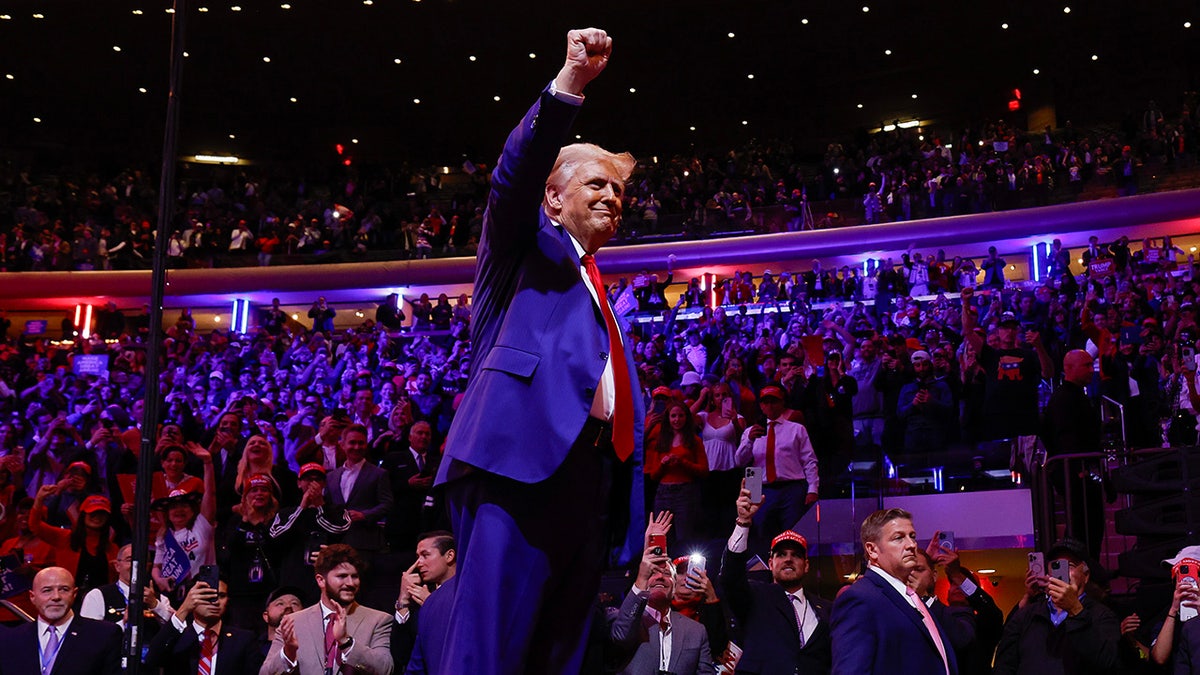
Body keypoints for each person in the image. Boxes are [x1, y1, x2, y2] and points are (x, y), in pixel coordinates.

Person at [434, 28, 645, 674]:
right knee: (490, 651)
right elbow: (512, 178)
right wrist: (570, 86)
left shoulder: (599, 289)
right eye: (597, 184)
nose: (613, 196)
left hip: (586, 485)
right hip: (515, 469)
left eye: (620, 190)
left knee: (561, 655)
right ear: (554, 197)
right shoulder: (519, 250)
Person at [831, 508, 957, 675]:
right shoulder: (859, 599)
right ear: (872, 550)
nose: (912, 545)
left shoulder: (909, 596)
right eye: (898, 538)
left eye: (912, 536)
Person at [720, 484, 832, 674]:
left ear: (806, 565)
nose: (788, 559)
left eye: (795, 555)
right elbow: (730, 577)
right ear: (770, 564)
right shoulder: (754, 596)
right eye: (781, 554)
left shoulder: (826, 608)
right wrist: (743, 522)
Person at [991, 538, 1119, 674]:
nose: (1062, 572)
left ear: (1085, 575)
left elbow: (1107, 661)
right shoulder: (1027, 615)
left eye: (1069, 565)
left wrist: (1075, 609)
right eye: (1056, 565)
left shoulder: (1102, 615)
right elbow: (1004, 665)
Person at [262, 544, 393, 674]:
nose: (350, 583)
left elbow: (385, 669)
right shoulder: (292, 622)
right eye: (342, 576)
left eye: (354, 576)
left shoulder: (378, 620)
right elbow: (265, 673)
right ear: (321, 581)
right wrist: (288, 653)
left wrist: (346, 642)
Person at [609, 522, 715, 675]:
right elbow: (621, 636)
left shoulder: (696, 630)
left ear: (674, 587)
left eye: (666, 574)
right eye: (653, 573)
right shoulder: (625, 618)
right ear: (643, 579)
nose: (660, 577)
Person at [734, 385, 819, 552]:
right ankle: (765, 570)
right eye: (766, 402)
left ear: (782, 404)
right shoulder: (750, 431)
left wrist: (813, 489)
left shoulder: (796, 429)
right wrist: (749, 441)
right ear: (761, 405)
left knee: (793, 532)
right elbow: (739, 461)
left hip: (791, 485)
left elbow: (809, 460)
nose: (770, 406)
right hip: (758, 483)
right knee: (761, 531)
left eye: (774, 401)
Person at [0, 566, 123, 675]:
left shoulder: (103, 635)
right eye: (47, 590)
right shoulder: (10, 639)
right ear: (32, 596)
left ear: (74, 594)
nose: (56, 597)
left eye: (64, 589)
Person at [1041, 350, 1105, 558]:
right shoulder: (1064, 398)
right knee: (1083, 526)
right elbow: (1064, 437)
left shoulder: (1074, 396)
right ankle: (1083, 569)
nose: (1091, 370)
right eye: (1086, 365)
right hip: (1075, 473)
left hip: (1080, 471)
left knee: (1088, 525)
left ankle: (1087, 568)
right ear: (1069, 368)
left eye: (1091, 365)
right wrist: (1078, 471)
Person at [144, 577, 265, 675]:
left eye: (221, 596)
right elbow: (152, 659)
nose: (215, 601)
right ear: (191, 598)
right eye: (206, 595)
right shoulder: (176, 638)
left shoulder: (243, 639)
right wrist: (184, 608)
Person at [392, 531, 457, 672]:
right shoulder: (415, 596)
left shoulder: (465, 592)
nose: (419, 563)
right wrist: (403, 600)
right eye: (417, 557)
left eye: (425, 555)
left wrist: (433, 605)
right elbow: (401, 655)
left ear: (449, 556)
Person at [80, 543, 174, 629]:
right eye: (130, 560)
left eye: (141, 561)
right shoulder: (97, 596)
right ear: (117, 566)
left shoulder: (161, 599)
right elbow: (89, 634)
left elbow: (175, 630)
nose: (135, 566)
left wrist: (155, 605)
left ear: (148, 567)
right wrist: (123, 622)